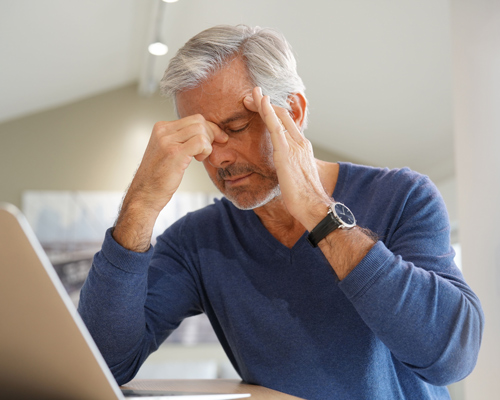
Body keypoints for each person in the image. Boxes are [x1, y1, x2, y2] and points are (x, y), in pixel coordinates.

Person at [78, 25, 484, 400]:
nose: (217, 157)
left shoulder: (403, 196)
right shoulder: (198, 242)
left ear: (295, 111)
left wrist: (316, 211)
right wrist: (141, 203)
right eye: (202, 137)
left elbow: (450, 358)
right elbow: (103, 363)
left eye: (235, 127)